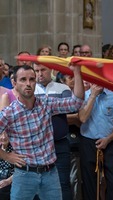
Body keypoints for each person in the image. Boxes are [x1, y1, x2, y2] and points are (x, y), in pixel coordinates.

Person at [0, 64, 84, 200]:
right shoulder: (9, 113)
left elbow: (76, 103)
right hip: (24, 175)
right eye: (23, 80)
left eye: (32, 79)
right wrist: (6, 156)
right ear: (14, 83)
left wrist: (77, 72)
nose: (28, 84)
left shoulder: (46, 103)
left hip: (50, 173)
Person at [78, 84, 113, 200]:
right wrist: (93, 96)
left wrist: (109, 138)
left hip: (109, 141)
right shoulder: (82, 97)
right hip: (88, 141)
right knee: (89, 180)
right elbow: (83, 118)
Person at [33, 63, 74, 200]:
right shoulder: (30, 90)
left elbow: (69, 107)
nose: (39, 73)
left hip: (59, 143)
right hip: (37, 146)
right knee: (38, 184)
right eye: (36, 70)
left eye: (43, 70)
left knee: (63, 182)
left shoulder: (63, 88)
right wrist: (54, 107)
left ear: (50, 69)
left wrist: (41, 109)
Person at [0, 132, 14, 200]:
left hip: (11, 180)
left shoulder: (16, 150)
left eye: (6, 134)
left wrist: (8, 181)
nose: (3, 137)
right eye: (1, 134)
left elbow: (21, 171)